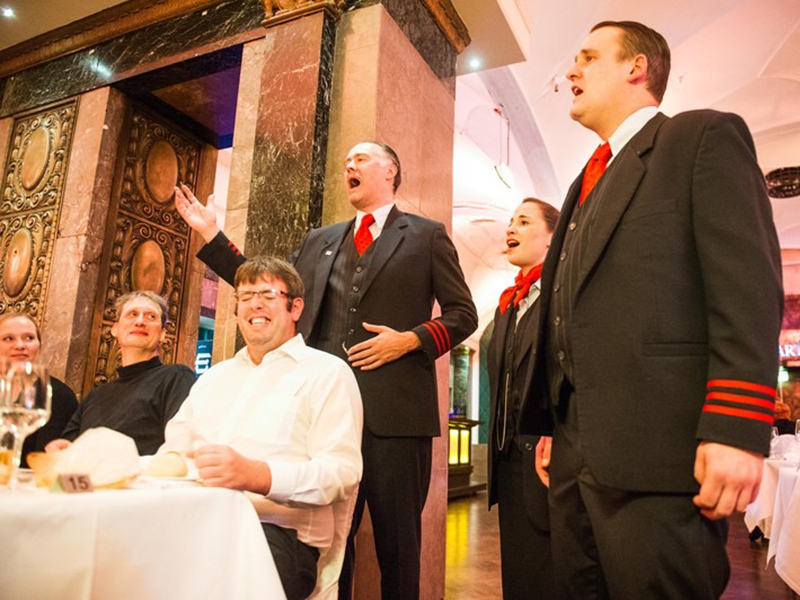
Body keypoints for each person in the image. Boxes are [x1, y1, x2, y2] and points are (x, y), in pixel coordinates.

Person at [519, 20, 783, 598]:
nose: (571, 71)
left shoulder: (699, 138)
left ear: (636, 67)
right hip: (574, 454)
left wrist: (737, 426)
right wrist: (554, 418)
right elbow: (572, 307)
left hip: (660, 451)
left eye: (589, 57)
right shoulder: (583, 183)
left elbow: (747, 286)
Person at [174, 140, 478, 599]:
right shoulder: (320, 240)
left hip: (395, 419)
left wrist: (409, 340)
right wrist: (212, 235)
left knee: (399, 547)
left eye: (361, 159)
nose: (349, 165)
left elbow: (463, 315)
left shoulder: (426, 235)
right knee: (331, 543)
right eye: (346, 161)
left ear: (390, 171)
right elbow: (268, 287)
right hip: (321, 418)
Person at [152, 256, 363, 600]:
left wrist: (257, 475)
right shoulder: (214, 377)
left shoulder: (328, 373)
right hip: (194, 519)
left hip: (276, 535)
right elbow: (173, 450)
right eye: (246, 296)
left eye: (267, 294)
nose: (255, 305)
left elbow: (340, 474)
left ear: (296, 308)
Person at [487, 198, 559, 599]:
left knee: (551, 573)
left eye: (525, 222)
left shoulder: (561, 297)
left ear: (551, 238)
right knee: (517, 574)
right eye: (511, 221)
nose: (511, 228)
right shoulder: (507, 305)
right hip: (508, 458)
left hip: (548, 458)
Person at [47, 291, 195, 455]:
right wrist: (61, 450)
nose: (140, 321)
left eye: (151, 316)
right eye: (132, 314)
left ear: (162, 334)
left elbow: (181, 449)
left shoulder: (176, 377)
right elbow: (67, 450)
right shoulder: (96, 395)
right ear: (115, 329)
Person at [0, 313, 78, 468]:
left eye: (29, 338)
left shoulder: (58, 396)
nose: (20, 345)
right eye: (8, 338)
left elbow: (43, 462)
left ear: (39, 345)